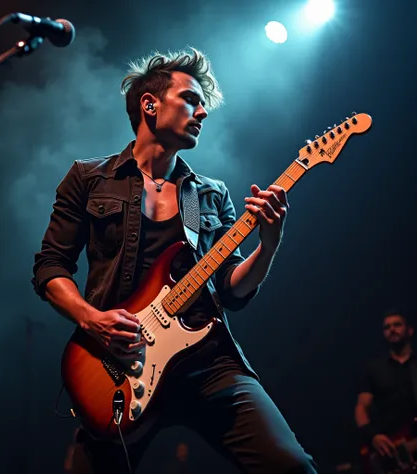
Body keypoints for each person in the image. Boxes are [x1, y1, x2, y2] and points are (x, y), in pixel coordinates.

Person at [33, 47, 317, 474]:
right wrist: (92, 319)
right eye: (191, 98)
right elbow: (50, 267)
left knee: (292, 467)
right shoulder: (88, 178)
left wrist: (270, 241)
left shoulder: (209, 193)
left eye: (203, 103)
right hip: (119, 363)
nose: (203, 111)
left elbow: (232, 289)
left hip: (208, 364)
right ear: (150, 104)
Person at [355, 309, 417, 460]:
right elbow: (362, 407)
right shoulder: (375, 368)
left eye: (397, 325)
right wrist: (373, 436)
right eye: (387, 327)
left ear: (409, 330)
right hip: (392, 446)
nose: (392, 330)